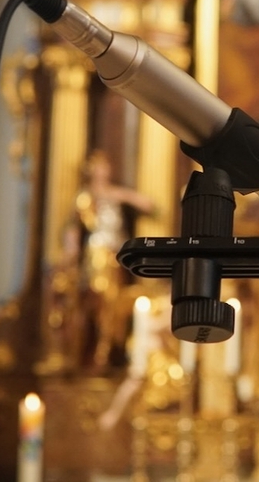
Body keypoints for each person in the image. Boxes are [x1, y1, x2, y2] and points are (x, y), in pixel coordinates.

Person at [75, 150, 155, 368]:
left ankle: (107, 352)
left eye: (106, 166)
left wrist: (125, 196)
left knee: (114, 304)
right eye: (99, 167)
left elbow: (147, 204)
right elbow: (81, 223)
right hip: (98, 257)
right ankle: (94, 353)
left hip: (115, 256)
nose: (104, 171)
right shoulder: (88, 196)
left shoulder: (113, 192)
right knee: (99, 301)